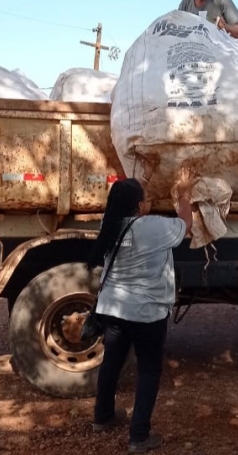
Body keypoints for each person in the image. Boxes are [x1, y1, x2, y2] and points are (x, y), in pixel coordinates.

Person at [88, 169, 193, 454]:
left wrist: (141, 180)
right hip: (145, 312)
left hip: (112, 307)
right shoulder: (153, 228)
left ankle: (103, 417)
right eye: (145, 199)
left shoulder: (110, 225)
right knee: (148, 369)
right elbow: (186, 224)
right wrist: (183, 192)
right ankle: (139, 436)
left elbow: (129, 201)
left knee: (111, 362)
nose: (149, 203)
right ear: (139, 206)